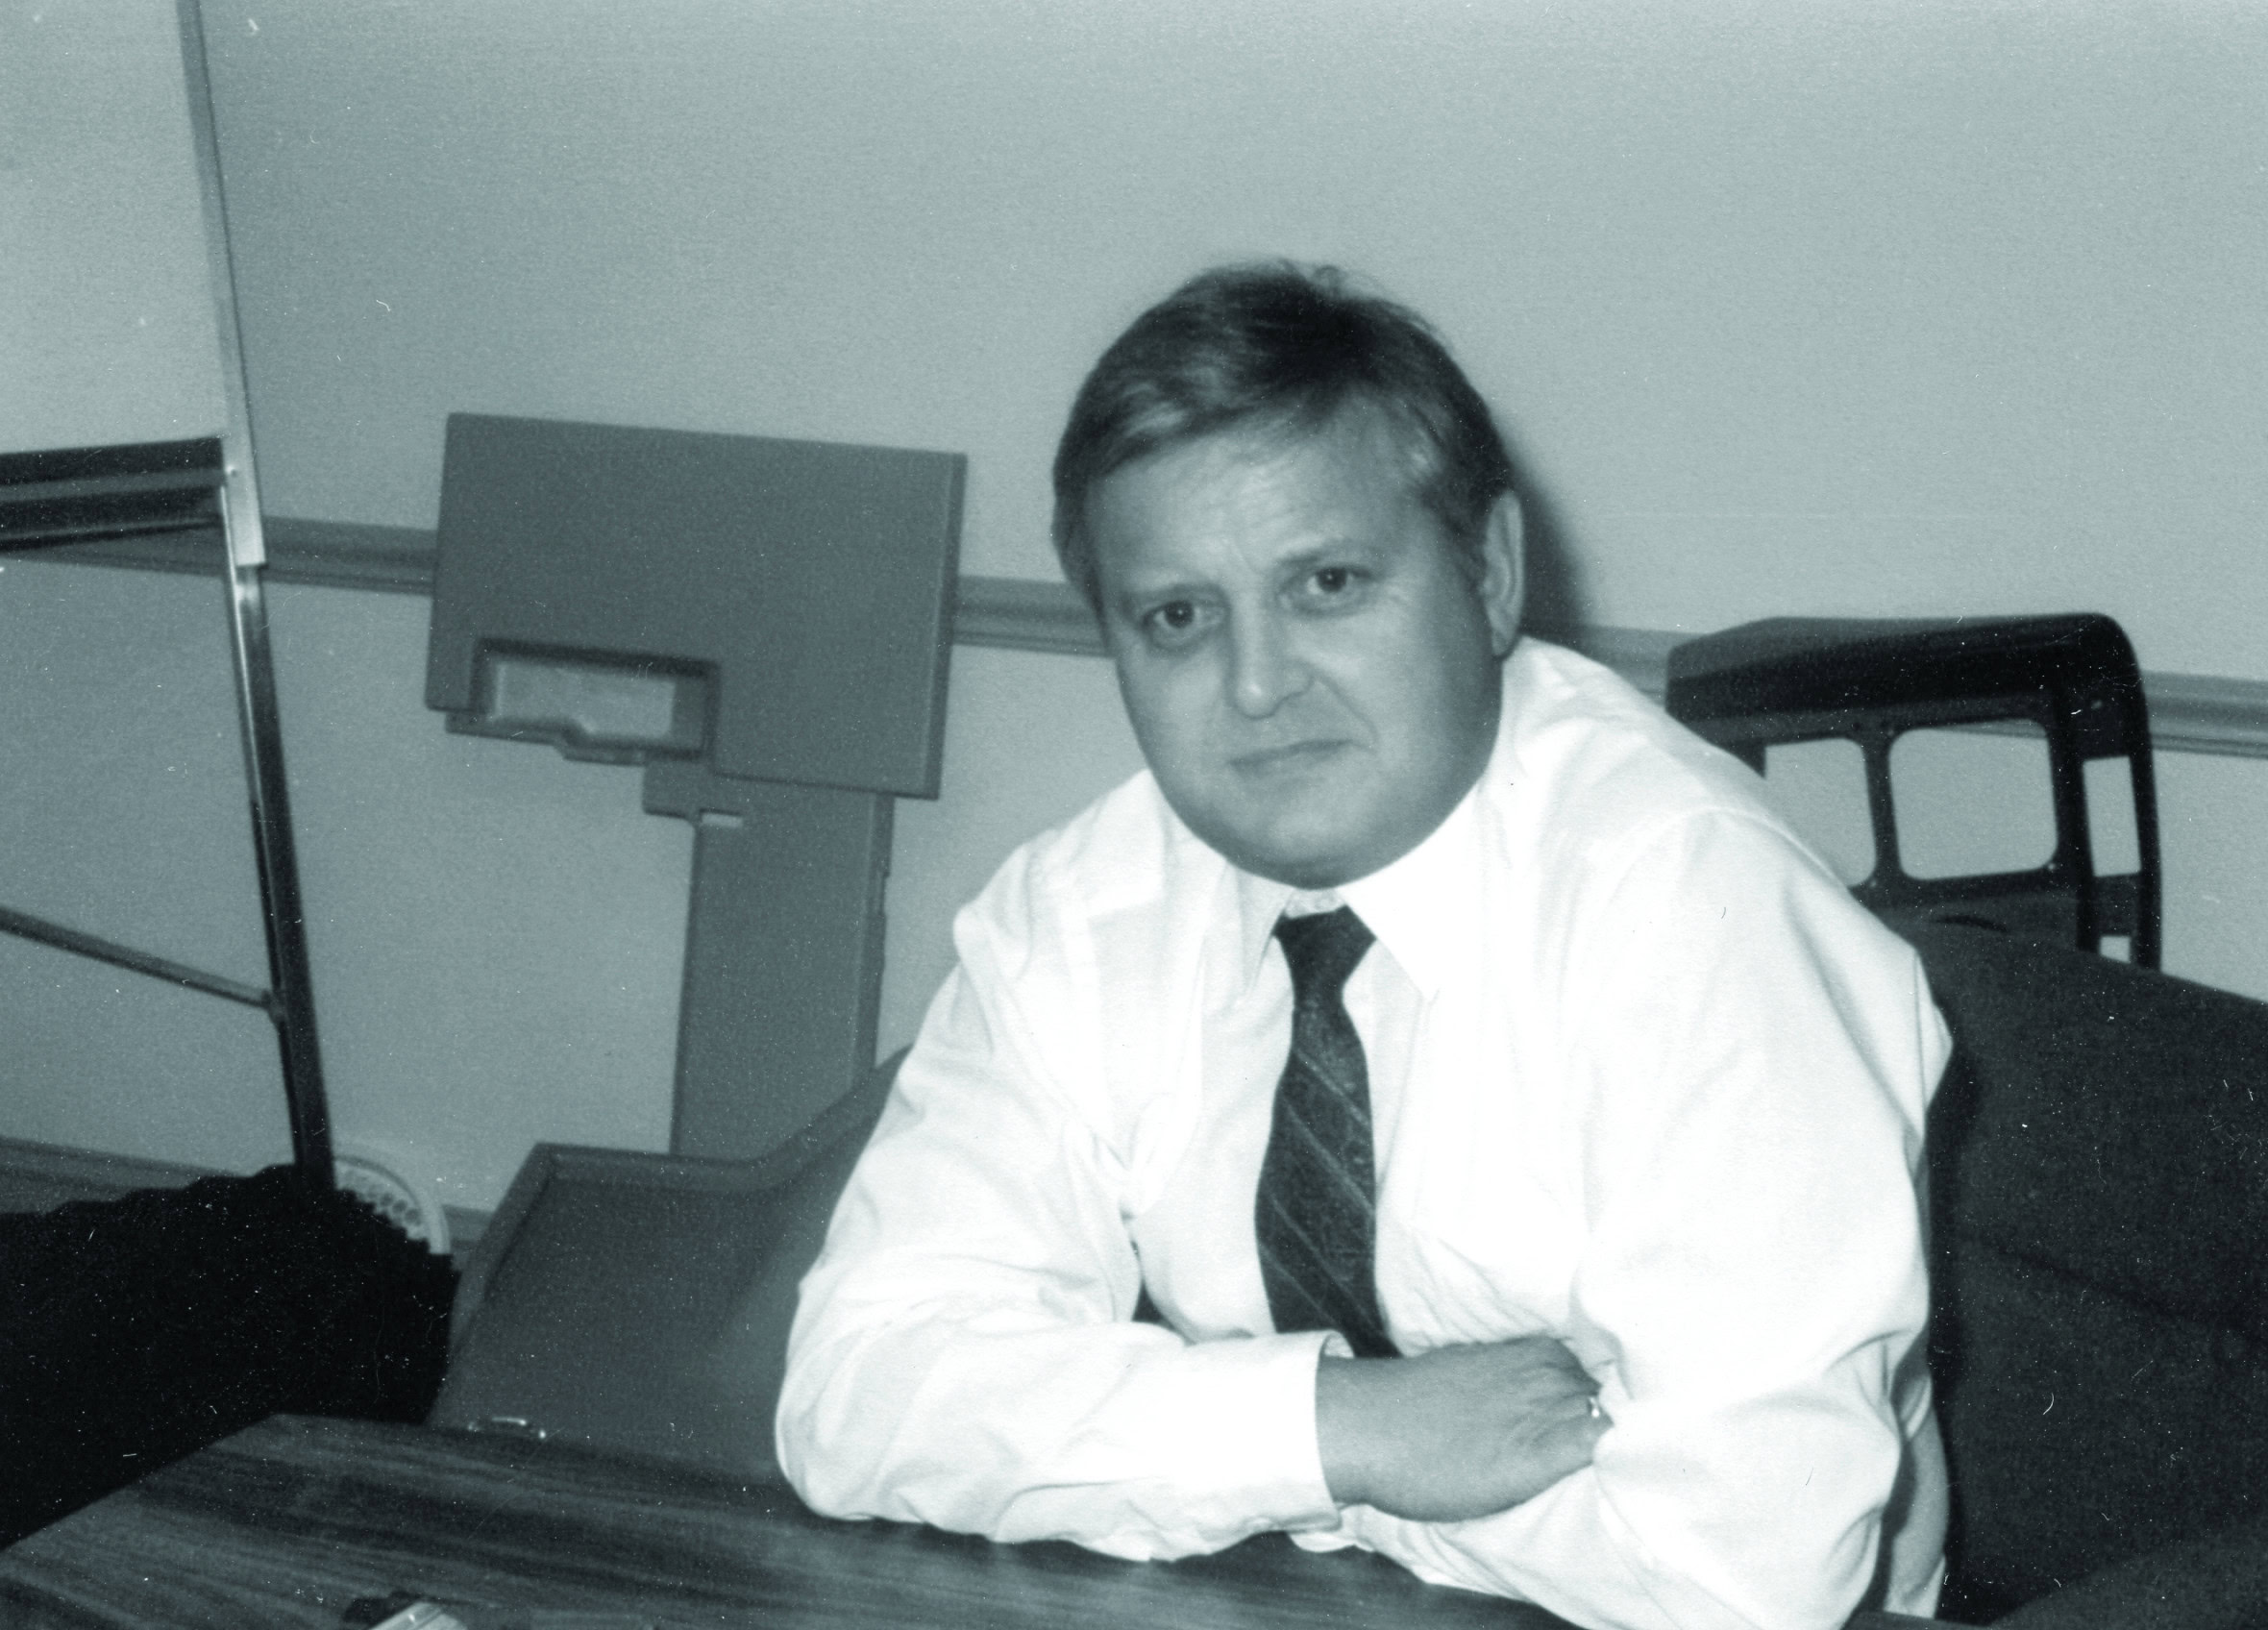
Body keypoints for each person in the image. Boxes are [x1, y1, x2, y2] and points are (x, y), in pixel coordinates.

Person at [777, 261, 1950, 1630]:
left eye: (1327, 583)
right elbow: (857, 1393)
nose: (1258, 685)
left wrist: (1182, 1466)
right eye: (1178, 617)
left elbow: (1733, 1582)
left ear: (1491, 575)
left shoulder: (1692, 909)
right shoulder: (1083, 910)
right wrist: (1343, 1429)